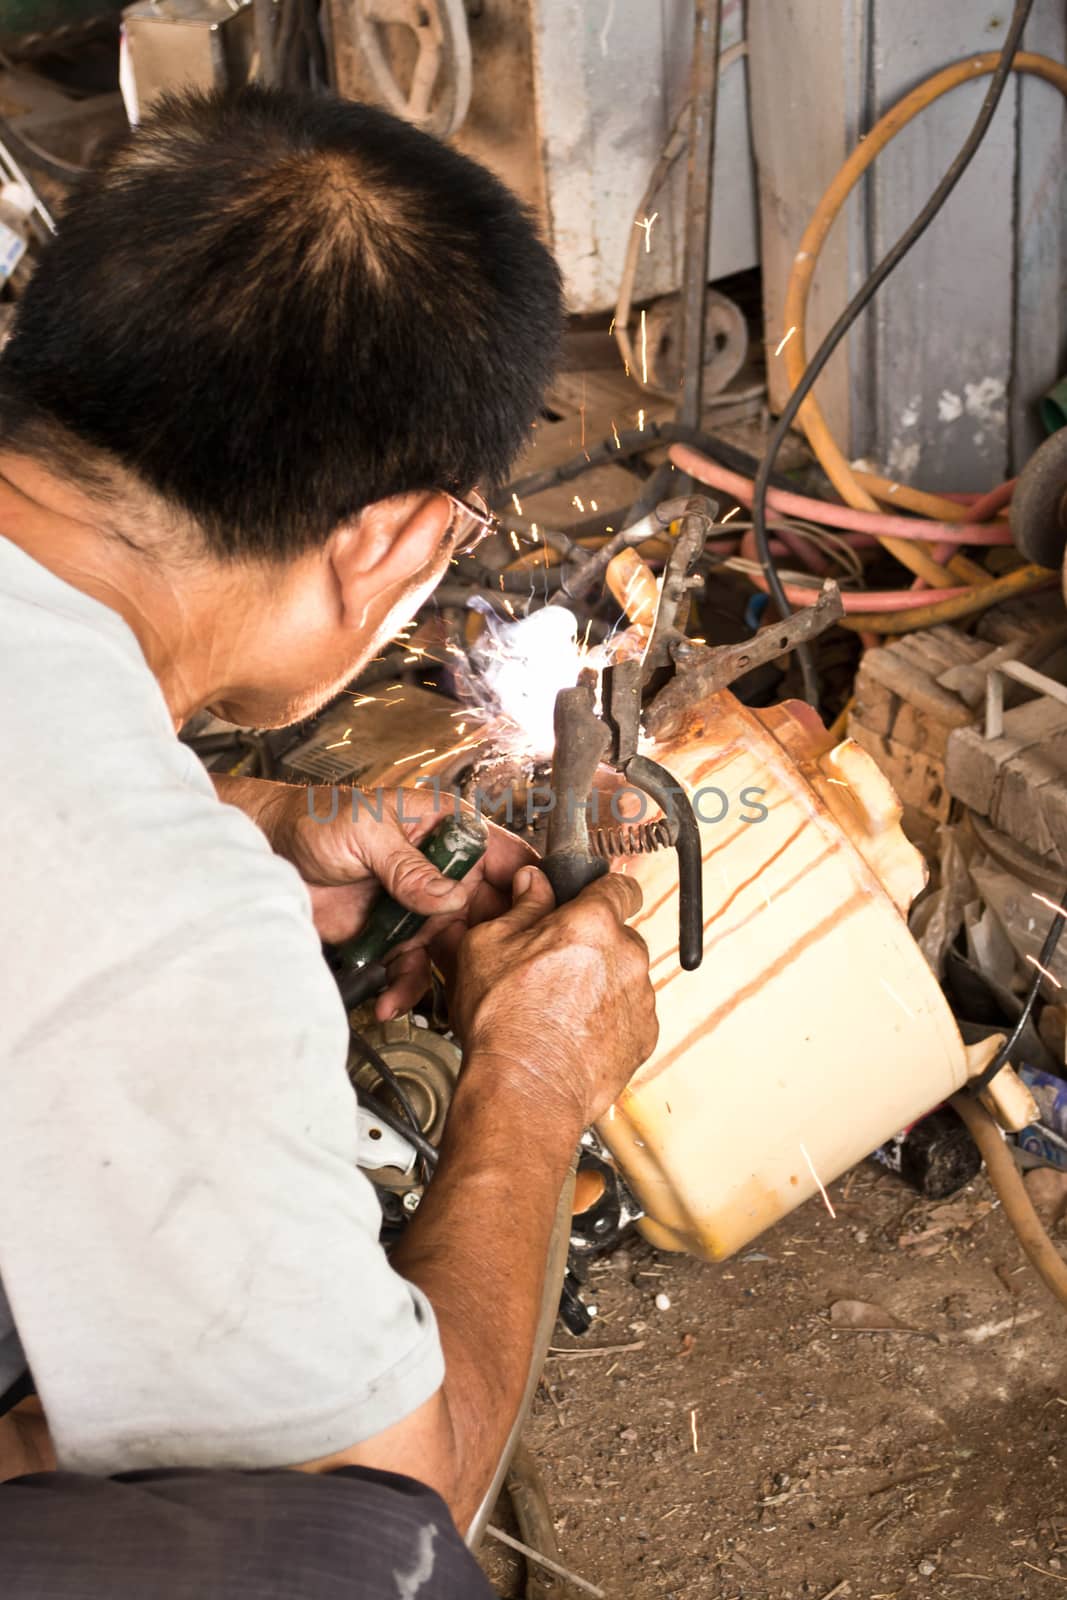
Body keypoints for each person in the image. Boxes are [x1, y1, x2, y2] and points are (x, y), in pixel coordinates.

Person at [0, 84, 658, 1596]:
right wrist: (534, 1083)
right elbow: (381, 1509)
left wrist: (257, 815)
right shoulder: (166, 928)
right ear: (394, 541)